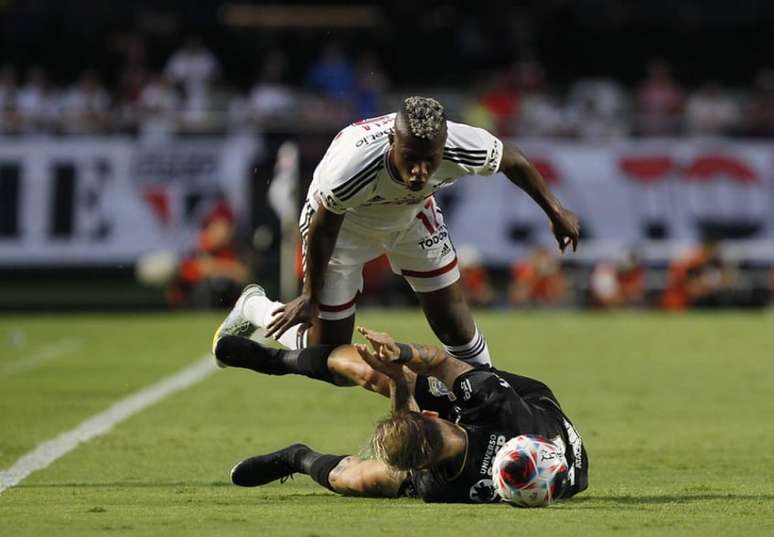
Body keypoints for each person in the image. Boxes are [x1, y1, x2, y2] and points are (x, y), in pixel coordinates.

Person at [214, 96, 579, 372]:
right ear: (392, 141)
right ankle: (255, 307)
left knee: (454, 324)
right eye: (410, 158)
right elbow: (323, 225)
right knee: (328, 359)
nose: (421, 170)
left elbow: (513, 160)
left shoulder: (460, 143)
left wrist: (555, 210)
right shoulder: (350, 168)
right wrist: (309, 295)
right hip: (344, 228)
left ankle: (489, 396)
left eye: (429, 160)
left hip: (412, 213)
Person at [213, 323, 588, 504]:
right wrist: (400, 359)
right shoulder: (490, 401)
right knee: (374, 373)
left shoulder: (437, 487)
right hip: (535, 413)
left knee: (361, 480)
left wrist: (400, 385)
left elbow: (406, 435)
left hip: (532, 443)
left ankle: (295, 457)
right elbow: (441, 361)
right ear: (430, 414)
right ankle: (277, 360)